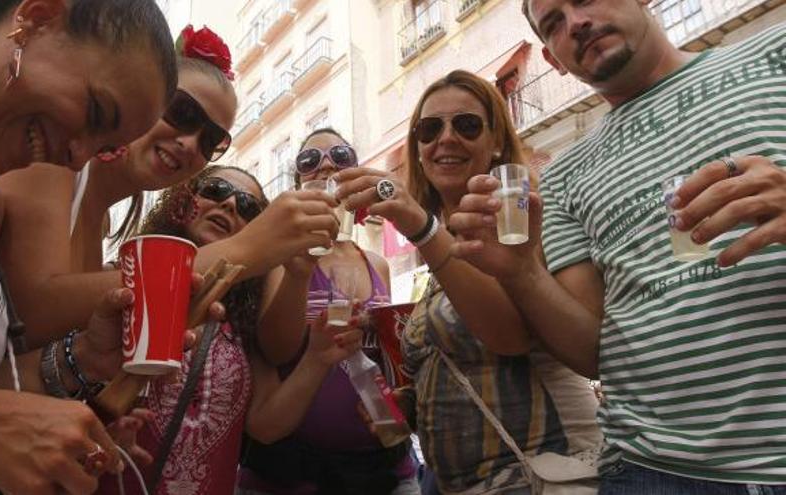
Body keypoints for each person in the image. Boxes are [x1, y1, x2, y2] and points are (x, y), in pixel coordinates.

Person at [449, 1, 786, 492]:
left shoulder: (773, 55)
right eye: (555, 24)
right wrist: (521, 273)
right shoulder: (562, 175)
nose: (577, 23)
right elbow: (592, 353)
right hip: (652, 470)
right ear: (553, 59)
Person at [0, 0, 179, 493]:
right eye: (96, 113)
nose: (77, 157)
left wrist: (84, 359)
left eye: (102, 148)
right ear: (38, 16)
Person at [334, 70, 601, 494]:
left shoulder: (524, 219)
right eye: (429, 128)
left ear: (495, 141)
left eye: (467, 124)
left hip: (542, 470)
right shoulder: (442, 248)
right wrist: (409, 405)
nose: (445, 138)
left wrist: (421, 227)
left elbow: (509, 337)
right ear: (418, 149)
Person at [97, 165, 365, 495]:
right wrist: (96, 429)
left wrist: (317, 359)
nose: (231, 205)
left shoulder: (243, 318)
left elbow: (265, 424)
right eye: (215, 190)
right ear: (182, 201)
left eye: (249, 207)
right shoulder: (118, 285)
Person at [0, 24, 239, 348]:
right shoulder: (55, 161)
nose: (190, 143)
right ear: (144, 97)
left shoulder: (104, 221)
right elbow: (29, 313)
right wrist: (246, 250)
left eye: (211, 141)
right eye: (182, 112)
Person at [236, 128, 420, 495]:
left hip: (382, 469)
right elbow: (274, 351)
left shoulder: (377, 264)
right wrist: (297, 273)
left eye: (341, 157)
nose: (325, 167)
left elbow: (385, 359)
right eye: (309, 161)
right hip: (293, 474)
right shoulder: (278, 260)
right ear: (298, 185)